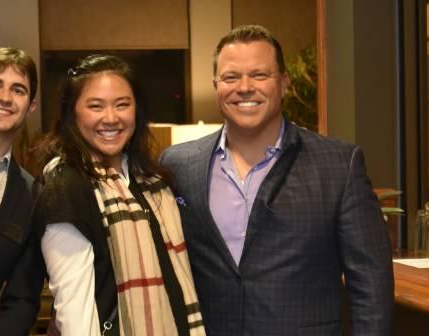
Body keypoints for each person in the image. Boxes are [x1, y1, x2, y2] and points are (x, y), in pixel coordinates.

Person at [159, 25, 393, 335]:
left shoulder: (339, 165)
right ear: (216, 85)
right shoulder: (177, 165)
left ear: (283, 83)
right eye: (230, 77)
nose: (244, 87)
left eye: (259, 75)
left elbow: (371, 284)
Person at [36, 54, 205, 335]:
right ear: (72, 113)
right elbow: (74, 310)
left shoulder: (151, 181)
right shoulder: (66, 186)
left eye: (122, 105)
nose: (111, 118)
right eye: (95, 106)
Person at [0, 47, 46, 335]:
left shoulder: (31, 194)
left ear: (30, 107)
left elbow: (22, 297)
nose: (5, 98)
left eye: (18, 90)